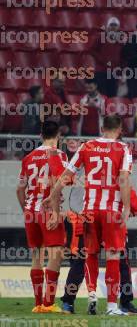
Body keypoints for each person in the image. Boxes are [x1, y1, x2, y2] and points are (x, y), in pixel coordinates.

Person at [45, 115, 132, 316]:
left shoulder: (86, 147)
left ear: (102, 127)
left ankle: (92, 293)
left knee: (89, 254)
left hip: (89, 210)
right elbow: (124, 179)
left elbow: (66, 174)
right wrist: (126, 208)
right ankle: (111, 306)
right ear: (119, 129)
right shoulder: (123, 149)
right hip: (111, 210)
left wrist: (52, 195)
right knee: (113, 255)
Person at [60, 187, 137, 315]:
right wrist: (125, 212)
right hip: (113, 222)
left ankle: (69, 302)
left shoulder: (87, 176)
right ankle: (122, 303)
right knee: (121, 264)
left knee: (80, 263)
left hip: (87, 220)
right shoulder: (120, 178)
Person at [16, 121, 68, 313]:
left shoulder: (28, 158)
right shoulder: (59, 155)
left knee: (36, 256)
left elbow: (19, 189)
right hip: (48, 210)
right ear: (59, 136)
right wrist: (55, 211)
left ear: (40, 135)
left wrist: (27, 211)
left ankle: (38, 304)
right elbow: (57, 182)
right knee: (56, 254)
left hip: (31, 210)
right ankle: (48, 303)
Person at [90, 17, 123, 97]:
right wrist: (103, 61)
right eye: (111, 25)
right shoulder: (101, 37)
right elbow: (92, 50)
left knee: (113, 96)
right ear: (108, 26)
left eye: (115, 25)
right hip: (101, 71)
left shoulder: (120, 40)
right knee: (102, 95)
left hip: (114, 72)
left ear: (118, 27)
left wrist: (121, 69)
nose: (113, 27)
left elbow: (123, 56)